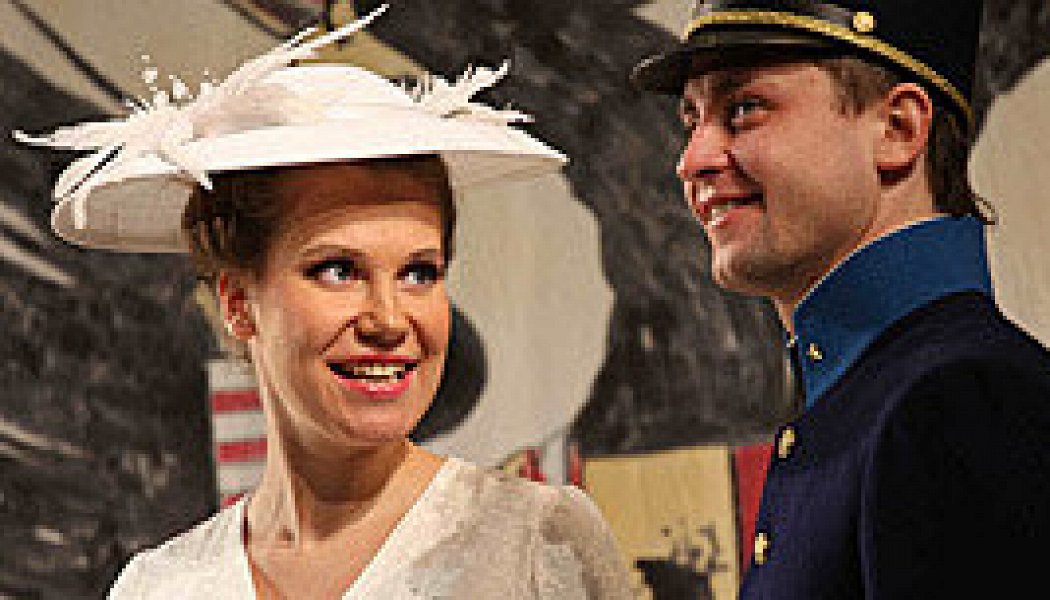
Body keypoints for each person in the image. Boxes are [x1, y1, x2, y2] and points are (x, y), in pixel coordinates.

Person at [19, 8, 632, 599]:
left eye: (419, 273)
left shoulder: (538, 546)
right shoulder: (163, 587)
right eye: (338, 270)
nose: (388, 319)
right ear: (238, 301)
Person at [632, 0, 1050, 597]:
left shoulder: (958, 397)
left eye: (744, 109)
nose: (690, 162)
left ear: (898, 128)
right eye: (692, 121)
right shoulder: (880, 393)